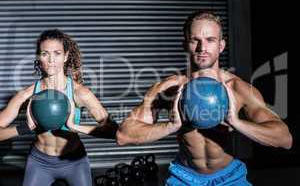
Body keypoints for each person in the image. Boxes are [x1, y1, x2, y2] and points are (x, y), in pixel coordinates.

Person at [116, 11, 293, 185]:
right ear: (185, 45)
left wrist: (237, 123)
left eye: (210, 40)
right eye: (195, 41)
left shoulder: (238, 89)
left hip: (230, 176)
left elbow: (284, 139)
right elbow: (124, 135)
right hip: (184, 177)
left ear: (221, 46)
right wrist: (170, 126)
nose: (202, 48)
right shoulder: (169, 89)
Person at [0, 29, 118, 186]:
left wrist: (74, 127)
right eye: (44, 53)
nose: (51, 60)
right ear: (38, 57)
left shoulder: (79, 92)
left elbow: (113, 131)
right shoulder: (27, 95)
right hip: (39, 162)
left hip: (74, 161)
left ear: (66, 56)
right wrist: (24, 128)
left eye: (56, 53)